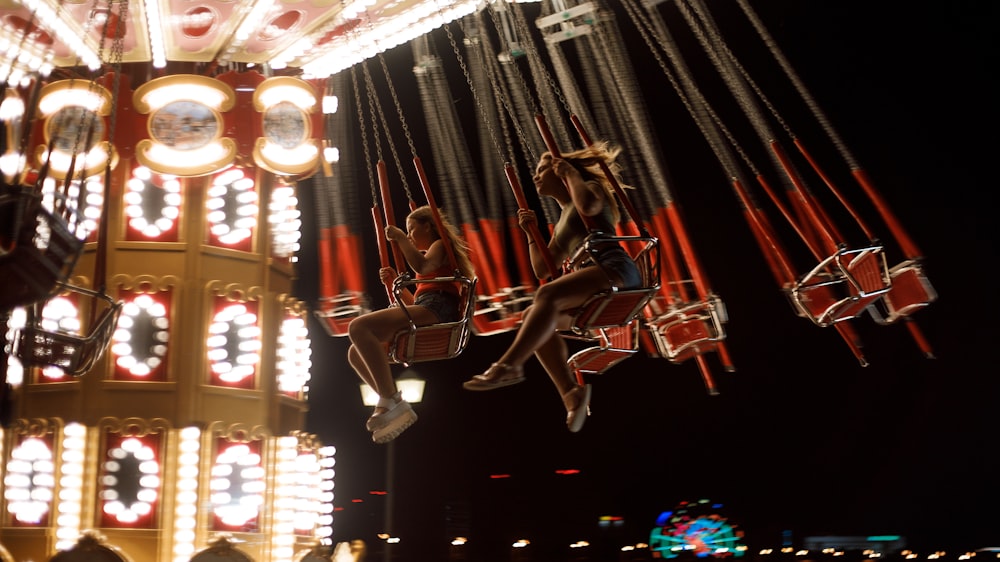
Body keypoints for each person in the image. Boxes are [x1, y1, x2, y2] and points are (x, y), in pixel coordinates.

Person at [462, 142, 642, 433]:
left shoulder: (590, 188)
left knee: (546, 297)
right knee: (535, 319)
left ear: (561, 170)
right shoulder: (562, 220)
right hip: (596, 284)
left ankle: (508, 366)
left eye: (542, 168)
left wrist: (572, 174)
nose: (536, 176)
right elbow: (544, 269)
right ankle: (571, 393)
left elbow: (589, 207)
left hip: (613, 270)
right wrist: (531, 233)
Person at [347, 205, 474, 444]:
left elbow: (422, 267)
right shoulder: (432, 255)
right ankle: (391, 401)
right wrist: (395, 281)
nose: (410, 234)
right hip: (429, 305)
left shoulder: (439, 245)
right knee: (355, 353)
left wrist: (401, 239)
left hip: (438, 307)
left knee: (358, 327)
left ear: (428, 225)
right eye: (408, 230)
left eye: (412, 228)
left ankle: (390, 398)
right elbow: (414, 302)